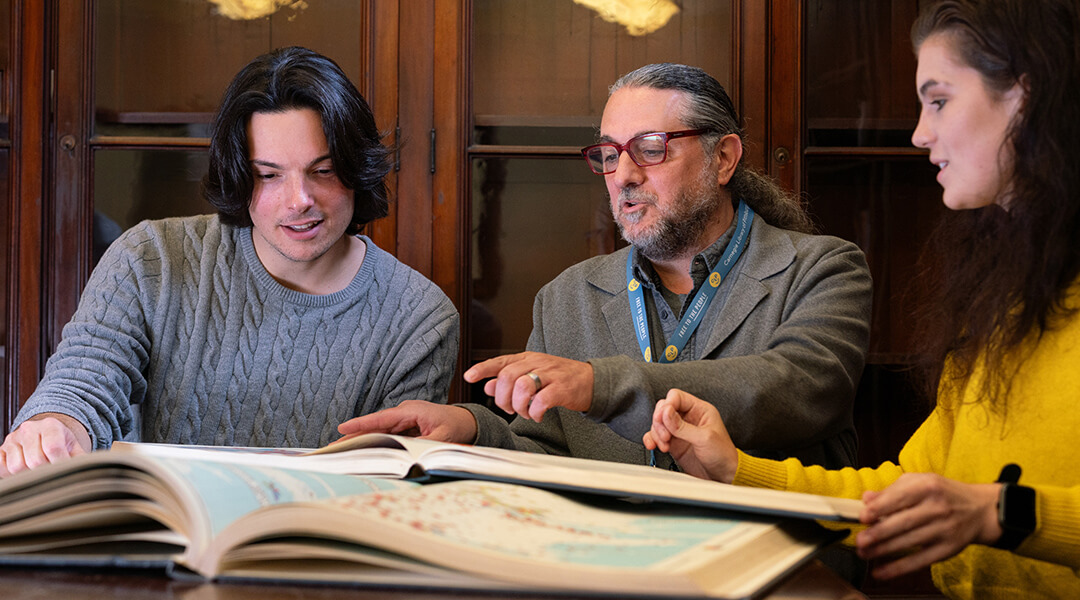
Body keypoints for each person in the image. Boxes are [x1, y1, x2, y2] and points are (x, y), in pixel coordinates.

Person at [643, 1, 1080, 597]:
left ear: (1026, 95)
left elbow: (988, 507)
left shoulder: (824, 267)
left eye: (939, 100)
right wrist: (736, 469)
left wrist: (1003, 514)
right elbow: (903, 489)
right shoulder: (1000, 302)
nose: (921, 133)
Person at [340, 63, 872, 473]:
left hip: (772, 569)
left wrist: (599, 384)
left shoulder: (823, 269)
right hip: (613, 566)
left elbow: (796, 391)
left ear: (724, 158)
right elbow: (543, 450)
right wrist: (472, 426)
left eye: (651, 148)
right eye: (611, 154)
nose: (624, 174)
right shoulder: (566, 296)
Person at [0, 46, 460, 477]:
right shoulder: (150, 259)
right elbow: (84, 383)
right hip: (154, 546)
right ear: (240, 176)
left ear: (357, 170)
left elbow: (396, 481)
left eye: (323, 171)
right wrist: (54, 424)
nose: (300, 200)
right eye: (268, 175)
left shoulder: (420, 318)